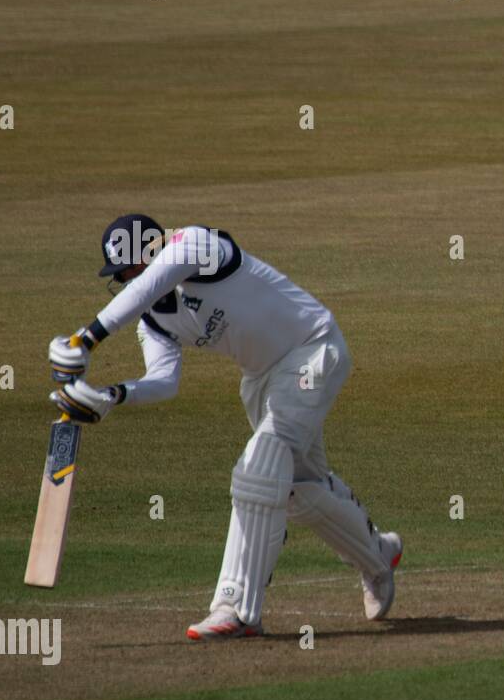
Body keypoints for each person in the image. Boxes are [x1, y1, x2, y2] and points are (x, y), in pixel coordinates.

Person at [47, 214, 402, 639]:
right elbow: (164, 382)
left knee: (258, 469)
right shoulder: (154, 321)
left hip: (312, 350)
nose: (125, 281)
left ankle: (236, 607)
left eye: (127, 270)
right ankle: (378, 555)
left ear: (151, 253)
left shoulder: (196, 245)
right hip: (262, 380)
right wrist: (112, 395)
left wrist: (85, 340)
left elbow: (152, 281)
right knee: (295, 486)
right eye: (118, 276)